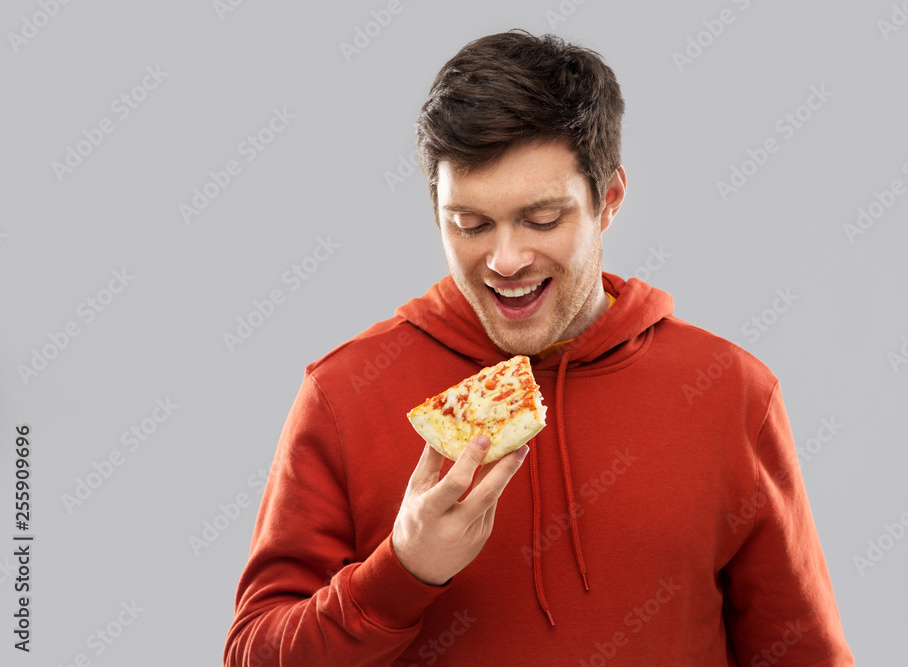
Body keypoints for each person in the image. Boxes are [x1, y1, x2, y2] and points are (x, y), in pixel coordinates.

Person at [224, 29, 855, 666]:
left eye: (542, 220)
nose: (505, 260)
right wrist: (403, 570)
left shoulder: (730, 391)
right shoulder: (344, 393)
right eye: (470, 225)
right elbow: (252, 656)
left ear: (608, 200)